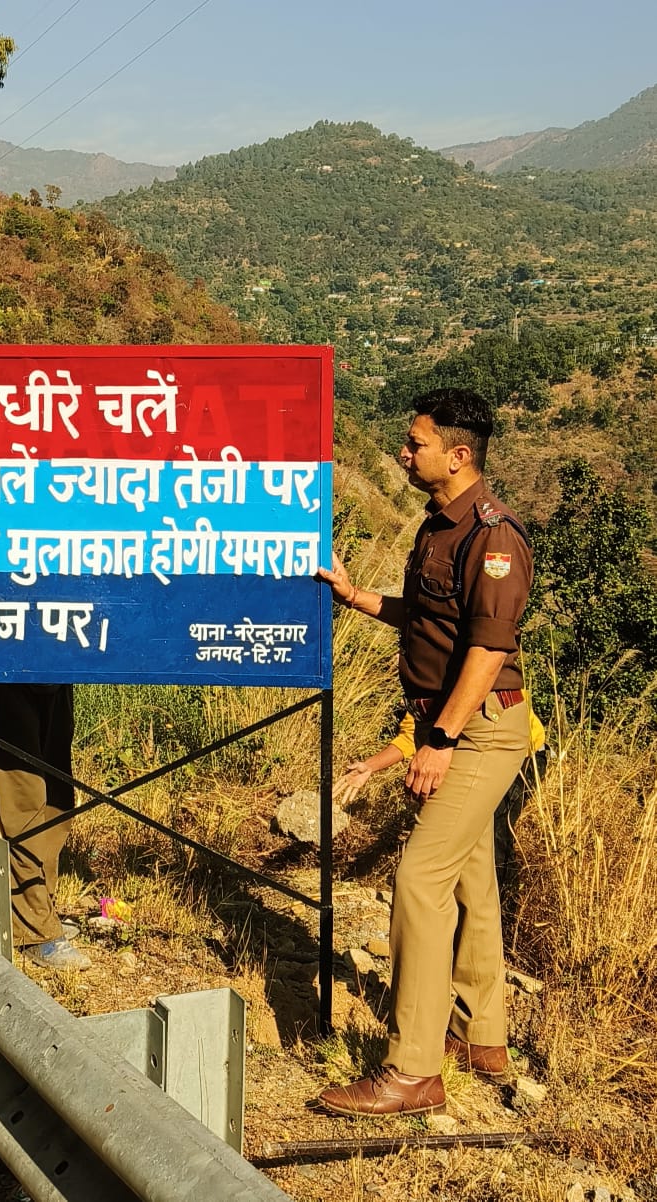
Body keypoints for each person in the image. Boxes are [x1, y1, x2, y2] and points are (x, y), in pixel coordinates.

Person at [316, 387, 533, 1116]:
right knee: (469, 878)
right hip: (454, 723)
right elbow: (428, 617)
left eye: (416, 443)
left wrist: (437, 740)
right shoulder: (437, 526)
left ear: (458, 454)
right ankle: (479, 1037)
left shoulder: (492, 537)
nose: (403, 453)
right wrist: (355, 596)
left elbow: (487, 650)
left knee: (418, 879)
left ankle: (411, 1071)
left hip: (477, 728)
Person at [0, 683, 90, 971]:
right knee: (21, 798)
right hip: (8, 668)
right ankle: (32, 926)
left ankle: (43, 907)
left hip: (57, 667)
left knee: (57, 795)